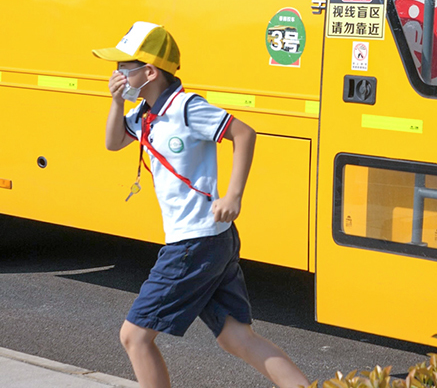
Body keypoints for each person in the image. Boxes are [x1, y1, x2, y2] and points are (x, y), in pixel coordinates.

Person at [93, 22, 310, 388]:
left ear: (151, 72)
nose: (118, 74)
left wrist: (233, 196)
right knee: (235, 337)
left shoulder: (187, 107)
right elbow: (114, 142)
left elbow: (244, 133)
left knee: (134, 337)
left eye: (125, 68)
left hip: (193, 243)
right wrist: (115, 100)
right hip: (211, 240)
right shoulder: (146, 113)